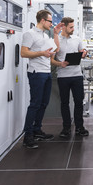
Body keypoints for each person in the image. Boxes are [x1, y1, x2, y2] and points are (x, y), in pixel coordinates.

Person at [20, 9, 63, 149]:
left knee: (44, 103)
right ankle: (28, 135)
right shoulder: (29, 34)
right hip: (36, 72)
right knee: (35, 104)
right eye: (50, 21)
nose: (51, 23)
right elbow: (23, 53)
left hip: (46, 72)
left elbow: (56, 49)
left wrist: (56, 33)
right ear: (43, 20)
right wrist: (41, 53)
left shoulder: (45, 36)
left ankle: (37, 129)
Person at [55, 17, 89, 137]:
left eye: (73, 27)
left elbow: (82, 51)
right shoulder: (56, 40)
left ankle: (80, 127)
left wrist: (84, 53)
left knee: (78, 102)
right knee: (64, 103)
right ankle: (66, 128)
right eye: (71, 27)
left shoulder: (77, 39)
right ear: (63, 26)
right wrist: (60, 63)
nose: (73, 29)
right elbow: (51, 58)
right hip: (63, 76)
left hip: (77, 75)